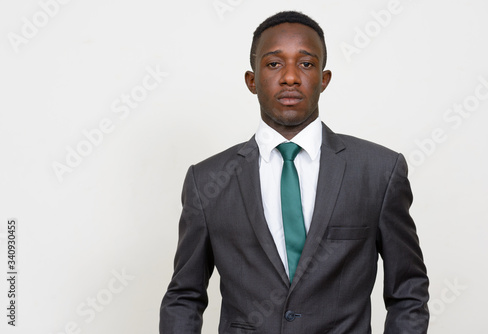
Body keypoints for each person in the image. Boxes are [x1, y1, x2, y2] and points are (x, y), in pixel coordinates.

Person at [159, 10, 429, 334]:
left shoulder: (379, 172)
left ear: (324, 79)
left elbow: (408, 290)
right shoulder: (207, 182)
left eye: (306, 63)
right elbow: (184, 297)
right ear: (252, 80)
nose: (290, 77)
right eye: (274, 64)